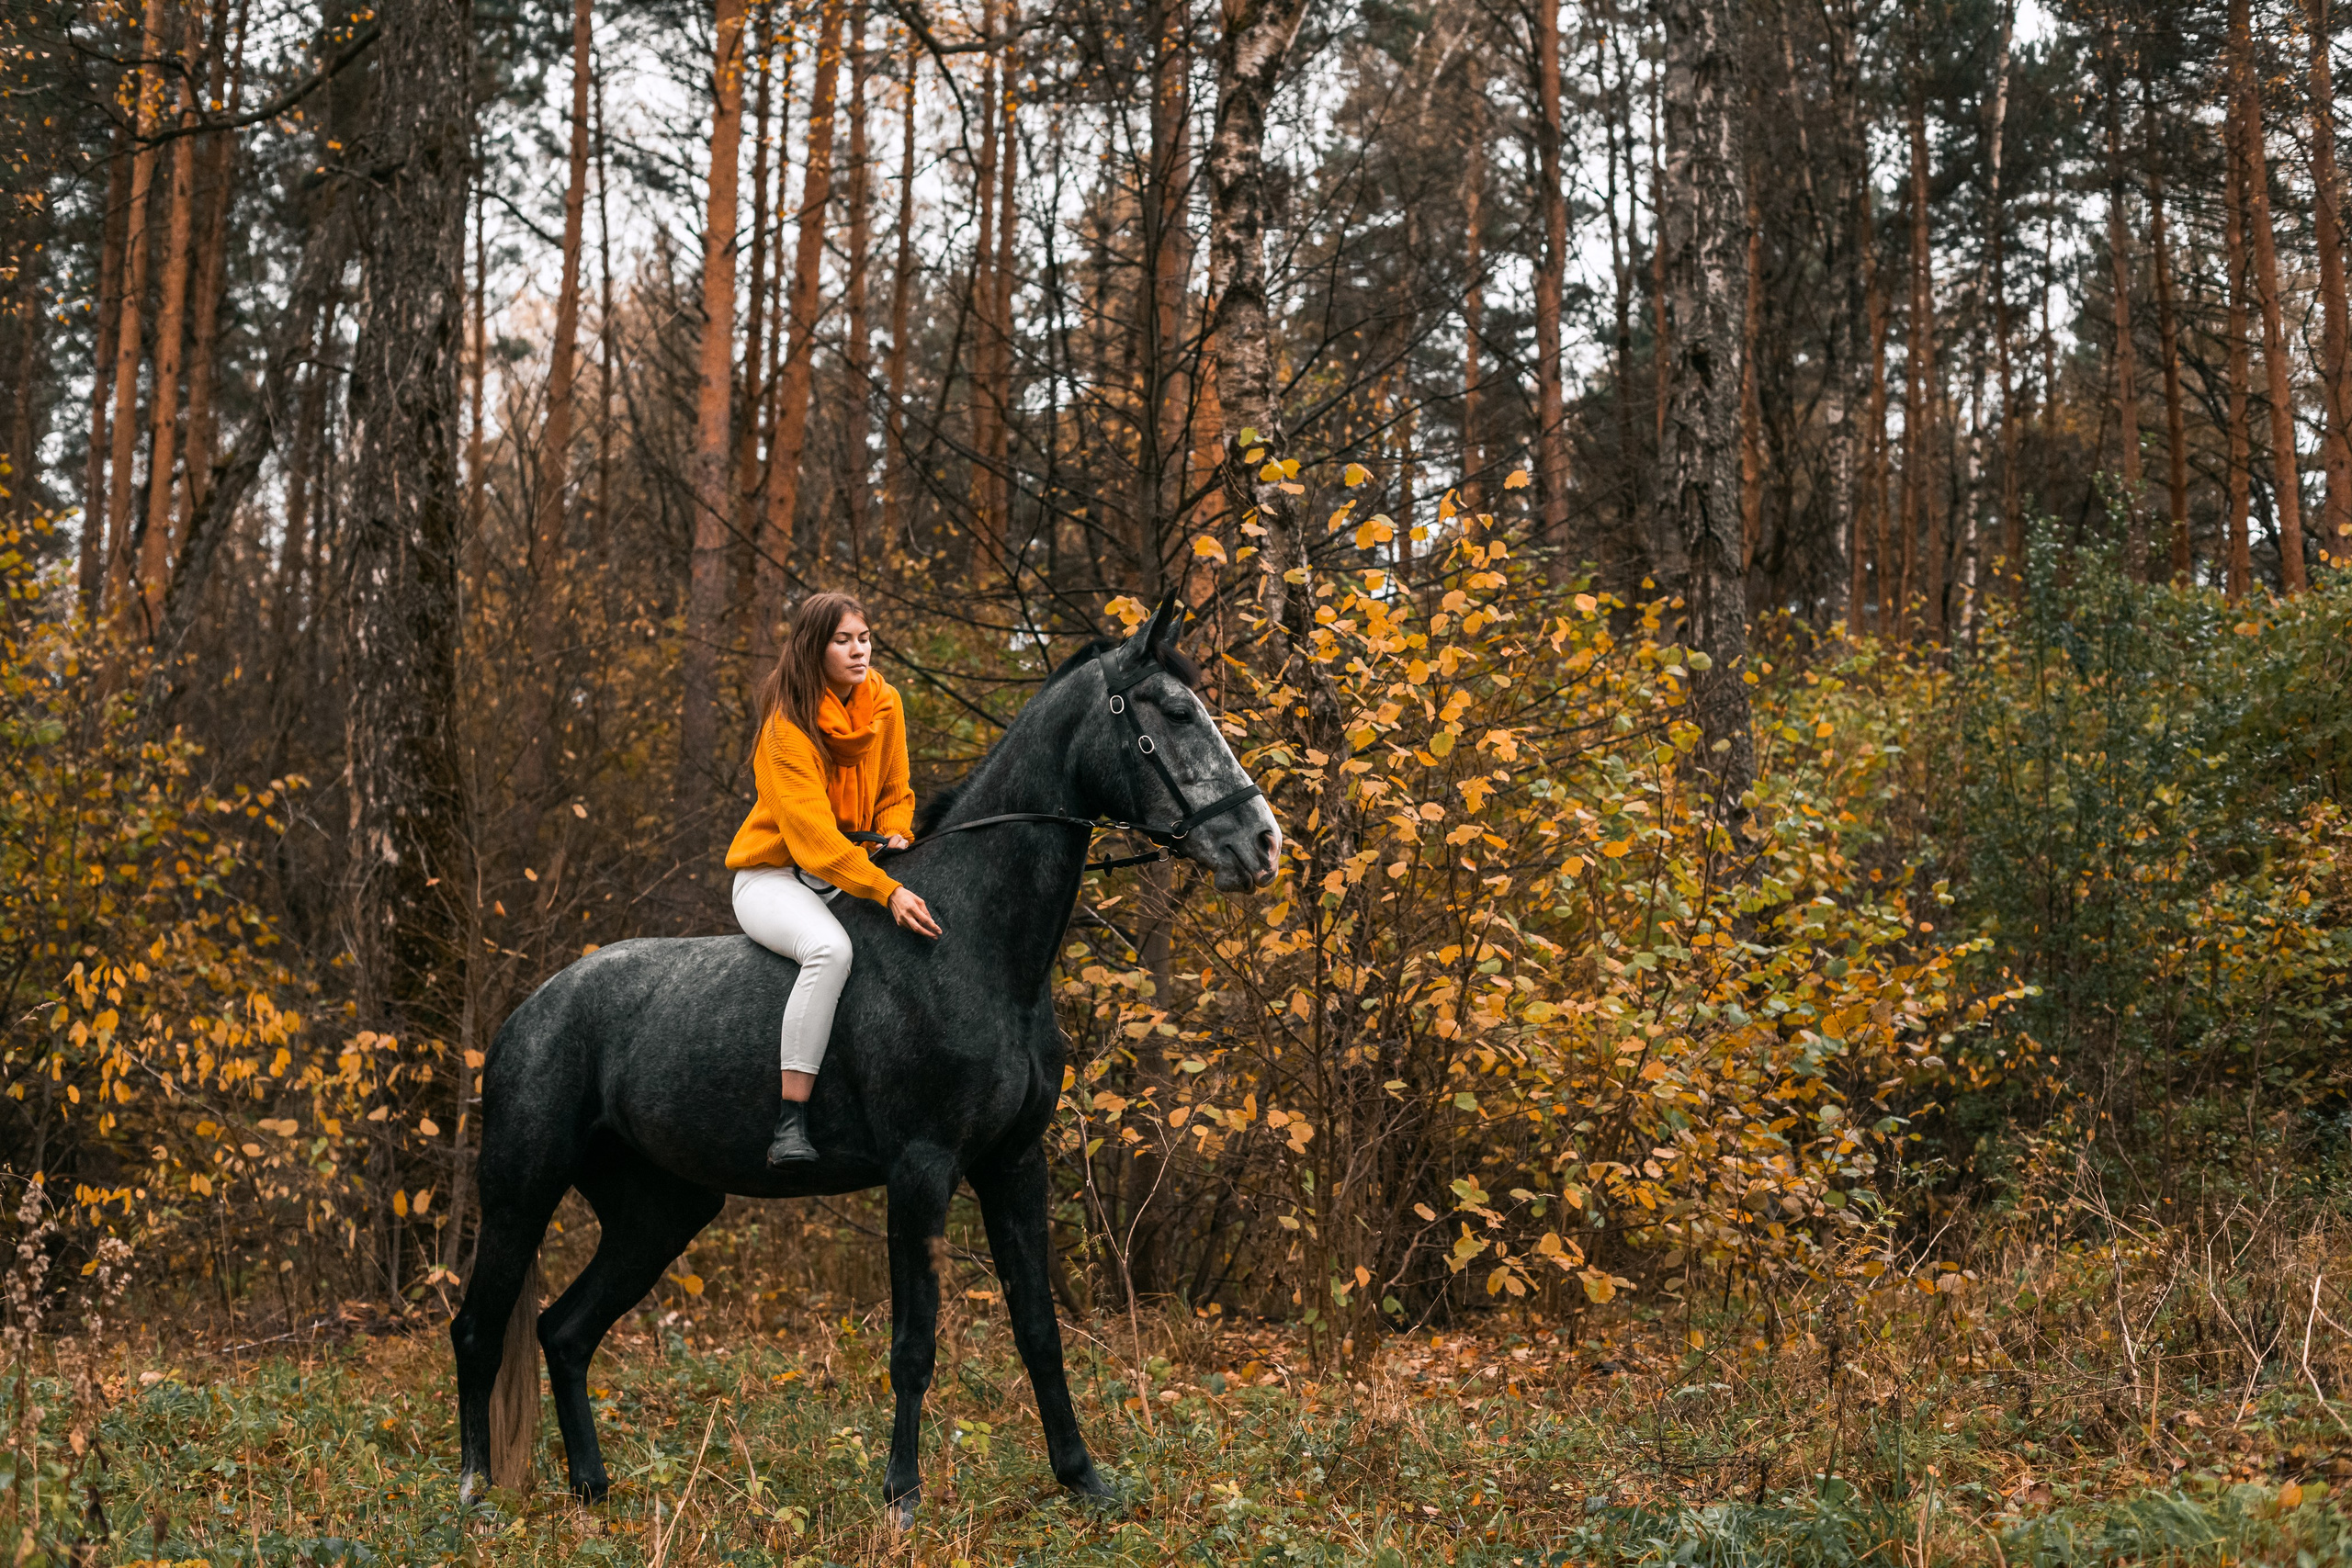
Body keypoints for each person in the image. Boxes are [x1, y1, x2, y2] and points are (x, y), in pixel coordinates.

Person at [727, 592, 943, 1167]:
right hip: (775, 876)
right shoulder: (785, 729)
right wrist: (887, 889)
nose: (858, 651)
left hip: (854, 871)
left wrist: (896, 834)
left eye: (864, 638)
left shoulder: (886, 704)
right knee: (829, 950)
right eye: (842, 640)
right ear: (813, 648)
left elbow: (897, 792)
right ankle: (790, 1120)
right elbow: (817, 843)